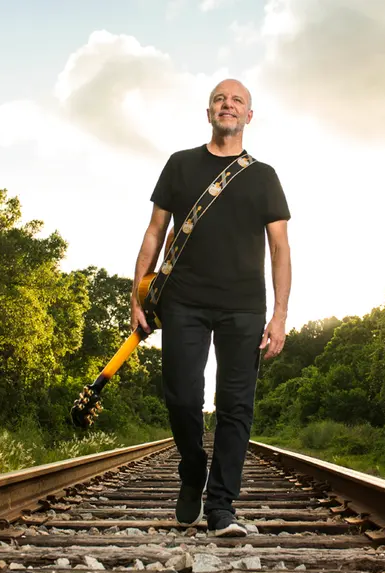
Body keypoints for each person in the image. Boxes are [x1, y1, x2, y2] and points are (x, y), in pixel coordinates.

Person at [130, 78, 292, 537]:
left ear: (249, 115)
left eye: (237, 100)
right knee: (182, 396)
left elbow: (280, 247)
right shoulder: (180, 164)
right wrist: (136, 295)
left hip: (244, 306)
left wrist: (280, 314)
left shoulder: (264, 176)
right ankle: (192, 467)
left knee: (236, 406)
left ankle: (222, 506)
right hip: (183, 300)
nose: (228, 105)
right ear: (209, 112)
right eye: (220, 99)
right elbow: (154, 232)